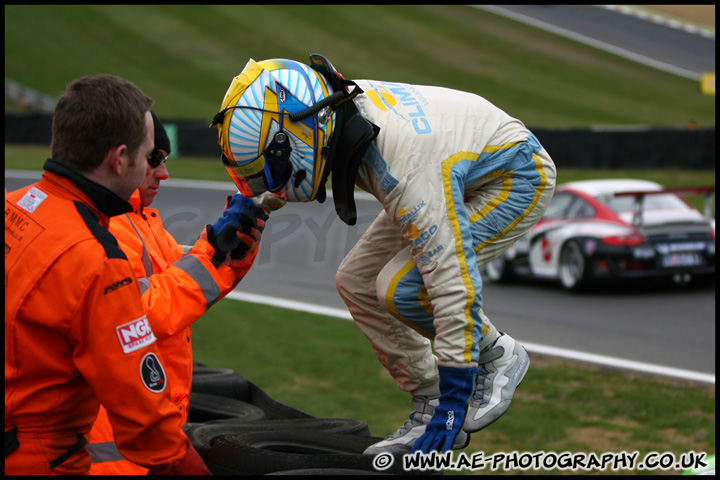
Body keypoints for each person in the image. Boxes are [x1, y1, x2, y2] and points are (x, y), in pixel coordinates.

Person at [210, 55, 557, 456]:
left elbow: (450, 283)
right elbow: (288, 167)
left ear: (304, 134)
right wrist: (248, 207)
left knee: (403, 287)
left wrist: (455, 402)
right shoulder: (327, 112)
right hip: (453, 167)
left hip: (511, 176)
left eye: (266, 170)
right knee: (355, 282)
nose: (266, 183)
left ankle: (497, 355)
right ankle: (428, 398)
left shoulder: (402, 168)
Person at [4, 75, 213, 474]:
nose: (160, 170)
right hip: (38, 457)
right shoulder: (96, 261)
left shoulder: (15, 207)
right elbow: (145, 418)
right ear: (119, 160)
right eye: (150, 155)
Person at [87, 112, 266, 474]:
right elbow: (141, 315)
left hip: (144, 434)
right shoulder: (105, 226)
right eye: (155, 161)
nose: (163, 174)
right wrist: (213, 251)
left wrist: (236, 248)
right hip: (113, 447)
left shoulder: (142, 222)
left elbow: (194, 281)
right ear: (121, 157)